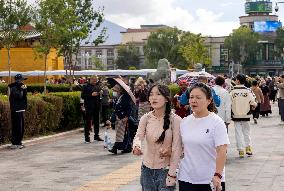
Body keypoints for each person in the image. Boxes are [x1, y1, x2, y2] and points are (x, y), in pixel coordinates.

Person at [178, 83, 229, 191]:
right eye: (191, 97)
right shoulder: (185, 122)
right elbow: (181, 148)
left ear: (209, 100)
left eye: (198, 97)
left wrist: (218, 175)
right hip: (186, 178)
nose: (193, 100)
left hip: (210, 179)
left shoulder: (216, 122)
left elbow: (222, 150)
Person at [133, 84, 182, 191]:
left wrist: (172, 173)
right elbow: (138, 136)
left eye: (158, 94)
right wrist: (136, 146)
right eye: (151, 95)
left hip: (166, 170)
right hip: (146, 169)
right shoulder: (146, 118)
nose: (153, 97)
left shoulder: (176, 120)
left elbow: (178, 148)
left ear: (166, 99)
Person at [230, 74, 257, 158]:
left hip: (236, 115)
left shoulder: (232, 91)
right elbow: (253, 102)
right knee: (246, 132)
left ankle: (240, 150)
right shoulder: (248, 91)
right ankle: (248, 148)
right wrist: (254, 105)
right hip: (246, 114)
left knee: (238, 133)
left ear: (238, 81)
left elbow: (229, 103)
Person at [108, 81, 136, 154]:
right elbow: (115, 108)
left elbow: (129, 108)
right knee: (120, 134)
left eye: (115, 90)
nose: (114, 91)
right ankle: (125, 147)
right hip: (119, 118)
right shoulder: (118, 97)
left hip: (123, 118)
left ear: (119, 90)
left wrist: (127, 116)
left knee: (124, 133)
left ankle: (118, 148)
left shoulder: (125, 97)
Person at [81, 75, 103, 143]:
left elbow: (100, 96)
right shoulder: (85, 86)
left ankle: (96, 135)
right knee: (88, 122)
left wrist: (100, 93)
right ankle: (87, 137)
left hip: (97, 106)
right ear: (90, 79)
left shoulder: (98, 86)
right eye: (94, 80)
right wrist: (91, 95)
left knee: (97, 122)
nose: (95, 81)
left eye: (96, 80)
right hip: (89, 106)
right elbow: (82, 96)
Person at [8, 74, 28, 149]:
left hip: (19, 109)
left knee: (20, 127)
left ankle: (17, 142)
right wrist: (22, 89)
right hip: (16, 109)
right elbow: (18, 96)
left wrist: (23, 89)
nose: (23, 82)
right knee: (18, 127)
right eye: (22, 80)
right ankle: (16, 143)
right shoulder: (14, 87)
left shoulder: (18, 86)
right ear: (18, 80)